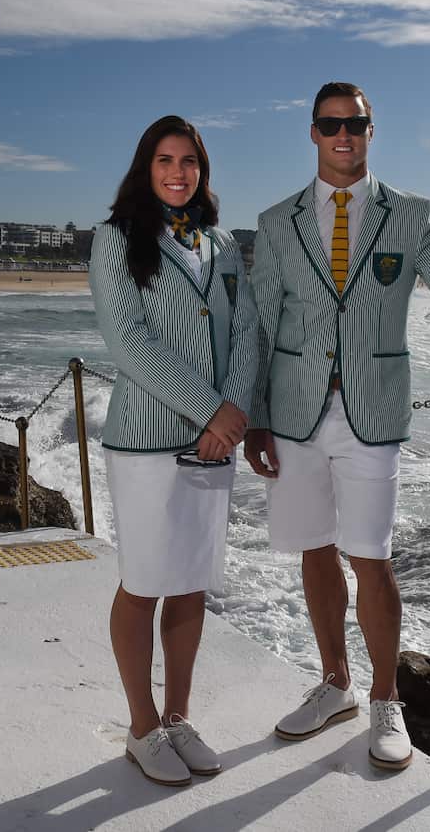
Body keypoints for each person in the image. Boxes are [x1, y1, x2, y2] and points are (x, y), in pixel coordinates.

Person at [245, 82, 430, 771]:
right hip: (294, 415)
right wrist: (255, 418)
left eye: (355, 125)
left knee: (370, 554)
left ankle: (386, 700)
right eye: (331, 123)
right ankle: (335, 684)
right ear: (313, 132)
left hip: (373, 413)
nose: (343, 135)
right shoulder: (277, 222)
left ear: (370, 130)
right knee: (313, 548)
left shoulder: (409, 215)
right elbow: (260, 325)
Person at [90, 115, 260, 786]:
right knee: (143, 584)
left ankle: (178, 717)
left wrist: (231, 416)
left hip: (214, 441)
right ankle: (142, 727)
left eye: (189, 161)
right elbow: (128, 342)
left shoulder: (221, 243)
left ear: (202, 170)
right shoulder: (116, 237)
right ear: (146, 166)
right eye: (165, 160)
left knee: (190, 582)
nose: (178, 172)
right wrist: (210, 409)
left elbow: (245, 332)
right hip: (145, 441)